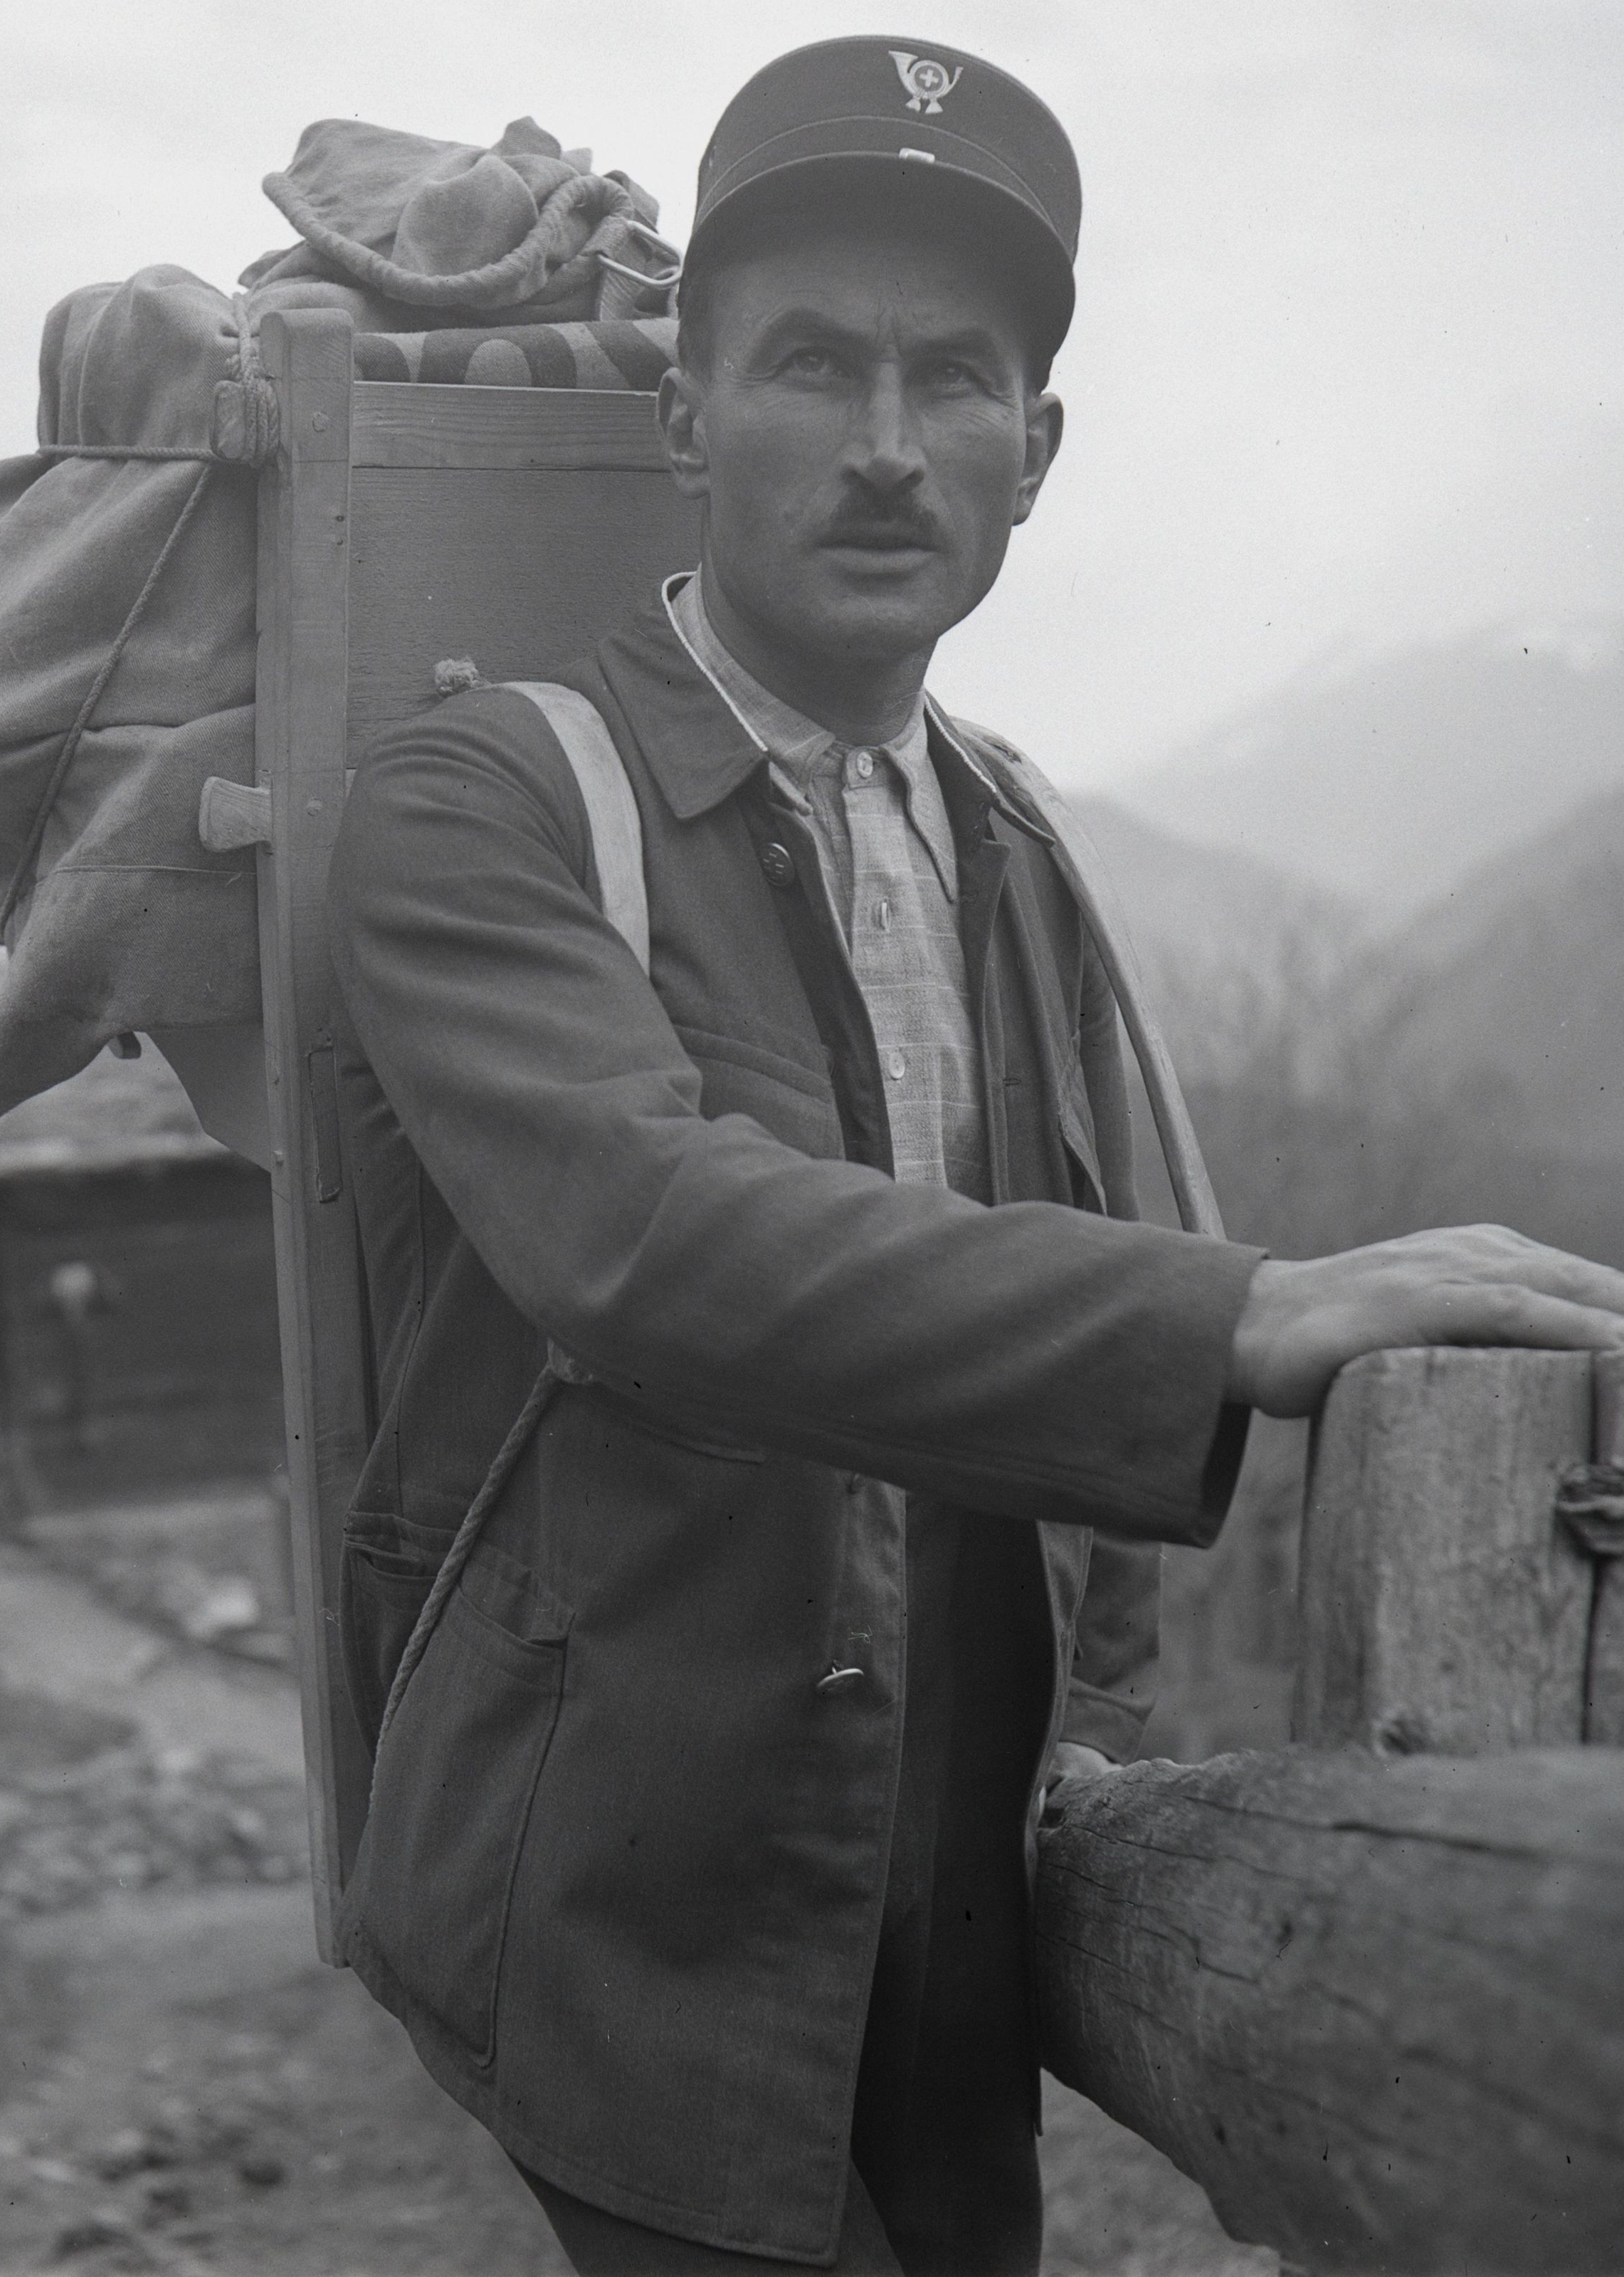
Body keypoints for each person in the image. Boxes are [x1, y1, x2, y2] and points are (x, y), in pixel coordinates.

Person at [322, 36, 1624, 2275]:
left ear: (1039, 449)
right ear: (686, 416)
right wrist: (1250, 1316)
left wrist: (1090, 1723)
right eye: (811, 363)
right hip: (624, 1921)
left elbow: (1074, 1231)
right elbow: (647, 1245)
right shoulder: (485, 803)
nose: (887, 443)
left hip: (947, 1938)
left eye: (954, 378)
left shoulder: (1013, 840)